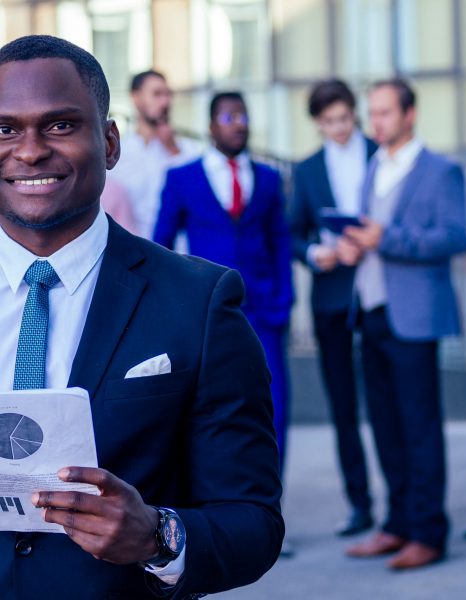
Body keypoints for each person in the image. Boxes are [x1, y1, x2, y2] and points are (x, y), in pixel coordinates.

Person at [0, 35, 283, 599]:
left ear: (109, 142)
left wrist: (159, 535)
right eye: (4, 129)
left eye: (59, 125)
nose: (29, 151)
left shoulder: (200, 303)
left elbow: (252, 521)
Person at [337, 78, 466, 569]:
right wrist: (356, 244)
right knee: (386, 427)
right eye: (373, 114)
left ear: (410, 115)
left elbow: (453, 236)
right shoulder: (376, 165)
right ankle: (397, 525)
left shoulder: (441, 170)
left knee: (420, 428)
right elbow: (373, 235)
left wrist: (385, 238)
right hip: (370, 312)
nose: (376, 123)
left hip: (415, 317)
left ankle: (429, 533)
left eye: (386, 114)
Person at [153, 92, 293, 473]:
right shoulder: (182, 177)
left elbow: (281, 240)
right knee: (210, 406)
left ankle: (270, 502)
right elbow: (160, 243)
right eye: (230, 117)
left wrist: (284, 301)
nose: (240, 124)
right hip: (206, 311)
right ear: (211, 126)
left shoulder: (269, 178)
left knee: (274, 406)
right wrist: (169, 306)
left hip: (265, 312)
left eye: (244, 116)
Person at [290, 79, 377, 537]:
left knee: (390, 406)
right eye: (328, 122)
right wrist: (316, 254)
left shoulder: (380, 155)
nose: (338, 128)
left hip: (379, 292)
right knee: (343, 408)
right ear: (318, 123)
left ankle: (404, 503)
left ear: (355, 114)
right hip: (331, 297)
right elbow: (294, 233)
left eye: (343, 119)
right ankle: (360, 504)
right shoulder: (306, 171)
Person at [105, 69, 199, 239]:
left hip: (180, 257)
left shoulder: (187, 150)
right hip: (133, 254)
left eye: (168, 95)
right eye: (157, 94)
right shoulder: (117, 152)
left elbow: (198, 199)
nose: (165, 102)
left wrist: (173, 150)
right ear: (136, 97)